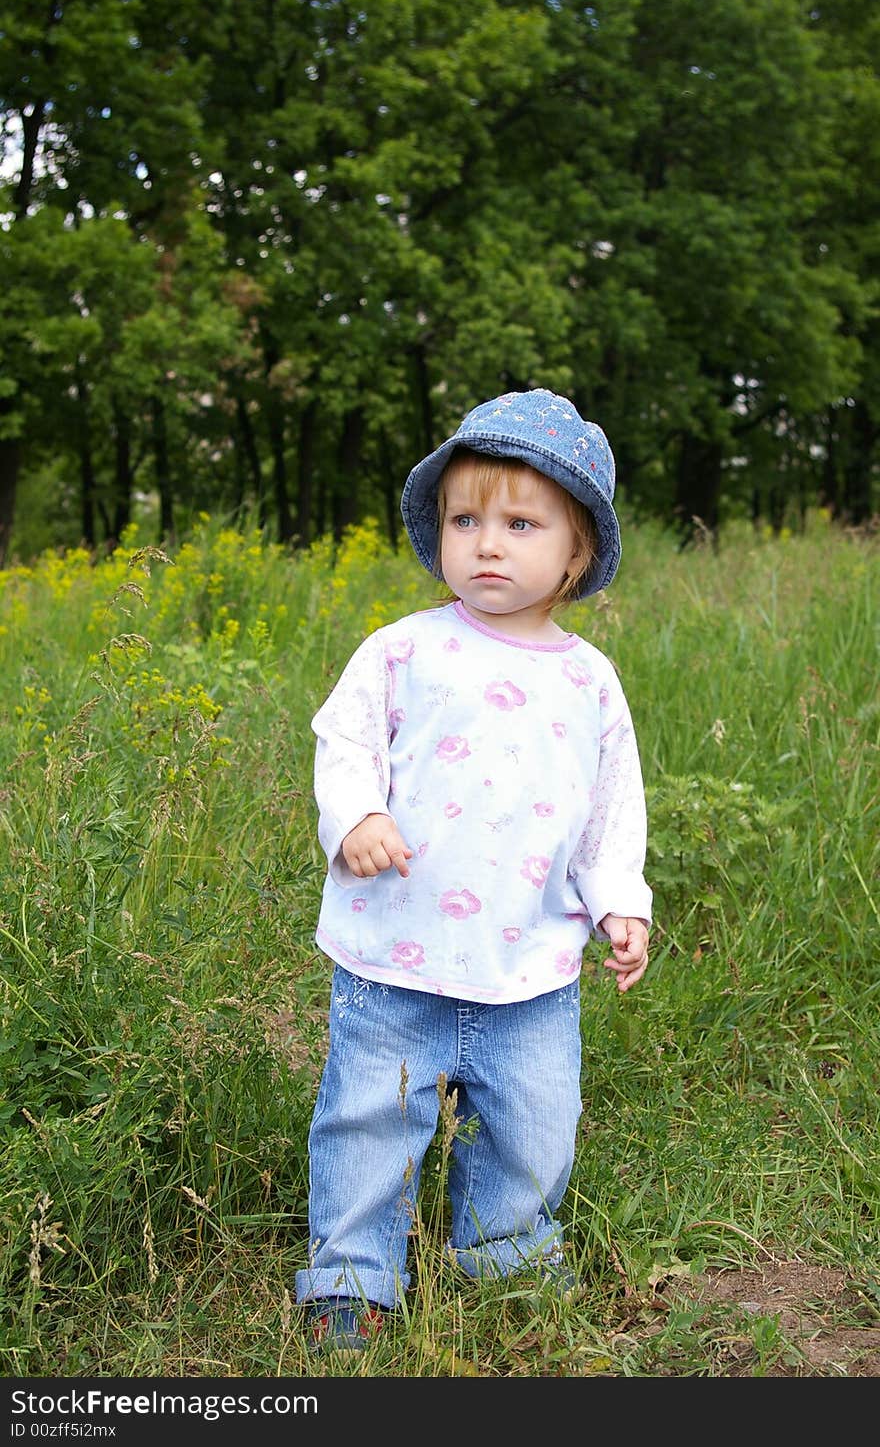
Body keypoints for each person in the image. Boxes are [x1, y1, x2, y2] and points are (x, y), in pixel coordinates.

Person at [295, 387, 652, 1353]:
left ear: (576, 554)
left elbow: (612, 804)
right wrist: (357, 813)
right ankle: (352, 1273)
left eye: (521, 523)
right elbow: (344, 739)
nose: (487, 543)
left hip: (528, 964)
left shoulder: (589, 680)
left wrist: (621, 901)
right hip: (392, 955)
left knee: (537, 1122)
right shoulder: (405, 650)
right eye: (465, 519)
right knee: (370, 1116)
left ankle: (506, 1247)